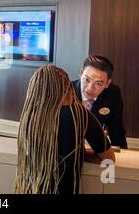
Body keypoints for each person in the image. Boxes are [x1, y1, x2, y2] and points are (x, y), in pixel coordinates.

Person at [15, 65, 115, 194]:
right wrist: (81, 153)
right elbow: (109, 157)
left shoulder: (30, 115)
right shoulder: (78, 113)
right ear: (66, 89)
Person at [73, 55, 128, 149]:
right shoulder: (66, 91)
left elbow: (117, 131)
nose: (90, 88)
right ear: (81, 73)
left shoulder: (112, 94)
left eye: (98, 84)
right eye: (87, 80)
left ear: (107, 83)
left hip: (96, 148)